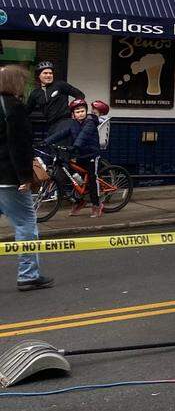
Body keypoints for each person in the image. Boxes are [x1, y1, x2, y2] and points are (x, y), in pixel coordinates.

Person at [0, 66, 53, 290]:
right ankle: (28, 275)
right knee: (26, 224)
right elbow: (19, 146)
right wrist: (25, 177)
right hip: (8, 177)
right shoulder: (14, 107)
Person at [44, 99, 102, 217]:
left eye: (82, 111)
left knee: (91, 178)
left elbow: (83, 136)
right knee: (75, 178)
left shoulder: (90, 122)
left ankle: (96, 205)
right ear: (73, 114)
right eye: (77, 112)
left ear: (86, 111)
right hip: (79, 155)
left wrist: (75, 146)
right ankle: (80, 201)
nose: (80, 113)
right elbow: (62, 133)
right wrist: (46, 141)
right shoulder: (74, 124)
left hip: (91, 155)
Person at [26, 61, 84, 138]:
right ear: (39, 76)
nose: (48, 75)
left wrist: (73, 110)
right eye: (45, 73)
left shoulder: (60, 85)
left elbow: (80, 95)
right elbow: (27, 110)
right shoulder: (35, 93)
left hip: (65, 121)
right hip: (50, 125)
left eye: (50, 73)